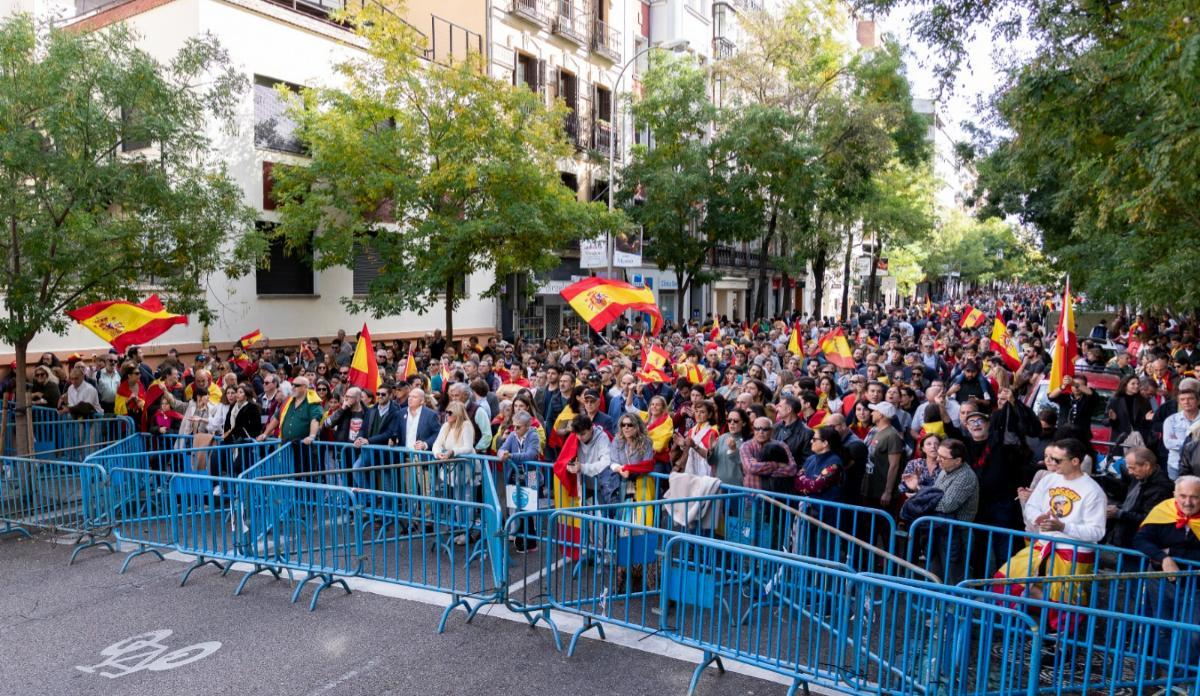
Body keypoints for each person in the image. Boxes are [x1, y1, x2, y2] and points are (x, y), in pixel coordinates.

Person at [996, 438, 1106, 630]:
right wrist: (1038, 518)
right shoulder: (1049, 479)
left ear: (1075, 461)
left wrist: (1062, 527)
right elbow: (1032, 505)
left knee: (1065, 603)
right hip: (1043, 545)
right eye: (1051, 458)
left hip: (1073, 553)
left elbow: (1097, 531)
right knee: (1006, 579)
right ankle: (1025, 626)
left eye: (1058, 460)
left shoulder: (1093, 491)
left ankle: (1061, 642)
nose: (1052, 463)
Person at [1133, 476, 1200, 664]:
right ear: (1174, 495)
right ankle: (1166, 673)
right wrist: (1164, 558)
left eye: (1195, 497)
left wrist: (1174, 552)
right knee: (1163, 629)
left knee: (1193, 633)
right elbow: (1140, 540)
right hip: (1160, 581)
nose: (1188, 502)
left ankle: (1182, 677)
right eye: (1183, 496)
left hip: (1195, 585)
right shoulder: (1164, 510)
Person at [1106, 446, 1173, 548]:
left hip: (1138, 542)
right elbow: (1130, 503)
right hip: (1124, 537)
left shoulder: (1161, 488)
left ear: (1146, 465)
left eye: (1132, 468)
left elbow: (1149, 519)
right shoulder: (1139, 477)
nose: (1130, 472)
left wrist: (1119, 514)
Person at [498, 411, 544, 552]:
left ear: (527, 426)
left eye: (518, 427)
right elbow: (502, 448)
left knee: (528, 508)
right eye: (514, 426)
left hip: (531, 474)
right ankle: (520, 538)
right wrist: (502, 454)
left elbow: (530, 454)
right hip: (515, 475)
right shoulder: (512, 435)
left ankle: (530, 541)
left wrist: (510, 455)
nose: (515, 430)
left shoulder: (533, 435)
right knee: (516, 506)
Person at [259, 376, 322, 473]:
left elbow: (315, 419)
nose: (293, 387)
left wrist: (312, 436)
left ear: (305, 387)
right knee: (288, 474)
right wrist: (265, 434)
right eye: (292, 384)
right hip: (288, 446)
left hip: (304, 447)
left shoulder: (312, 402)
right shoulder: (288, 401)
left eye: (296, 385)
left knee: (305, 476)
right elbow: (276, 418)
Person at [862, 402, 905, 511]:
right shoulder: (877, 431)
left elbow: (894, 465)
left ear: (881, 415)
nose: (871, 413)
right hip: (870, 488)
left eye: (874, 411)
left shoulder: (892, 436)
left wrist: (888, 492)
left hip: (880, 493)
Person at [738, 417, 797, 492]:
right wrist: (777, 465)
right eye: (757, 429)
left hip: (776, 496)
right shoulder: (746, 446)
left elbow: (792, 469)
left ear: (771, 431)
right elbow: (751, 468)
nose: (761, 432)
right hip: (753, 496)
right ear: (753, 429)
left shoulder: (781, 445)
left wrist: (760, 467)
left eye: (765, 429)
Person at [794, 425, 844, 501]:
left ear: (825, 443)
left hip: (824, 510)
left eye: (814, 439)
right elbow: (797, 481)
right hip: (807, 507)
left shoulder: (835, 464)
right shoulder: (810, 458)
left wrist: (804, 483)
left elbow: (815, 486)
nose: (811, 441)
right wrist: (809, 484)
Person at [1162, 387, 1200, 480]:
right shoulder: (1171, 420)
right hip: (1175, 466)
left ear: (1198, 401)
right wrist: (1195, 443)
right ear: (1179, 402)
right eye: (1182, 399)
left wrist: (1179, 442)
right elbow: (1168, 443)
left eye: (1190, 399)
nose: (1186, 402)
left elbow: (1174, 443)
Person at [713, 408, 750, 487]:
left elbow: (746, 467)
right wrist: (710, 450)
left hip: (737, 486)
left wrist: (734, 450)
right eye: (729, 420)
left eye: (736, 421)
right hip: (720, 484)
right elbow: (713, 461)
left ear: (743, 423)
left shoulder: (748, 441)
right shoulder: (722, 437)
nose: (732, 423)